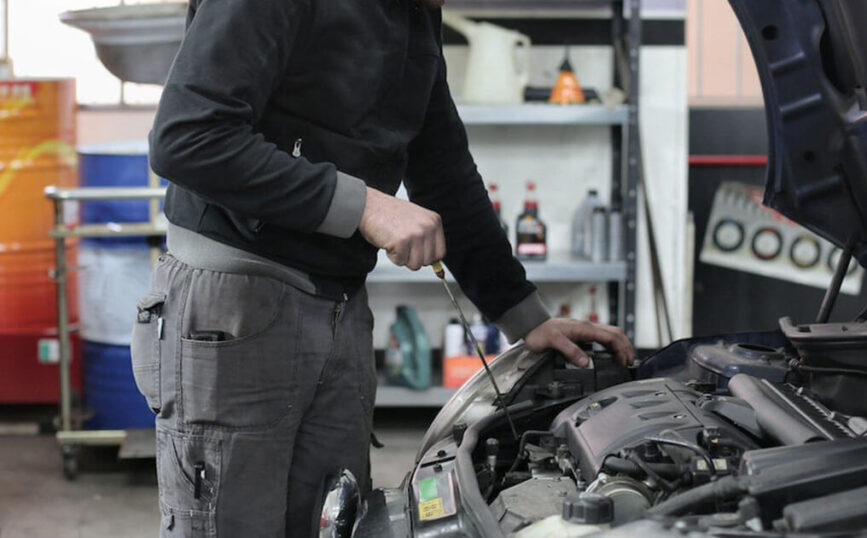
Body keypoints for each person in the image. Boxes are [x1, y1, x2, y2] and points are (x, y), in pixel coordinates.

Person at [133, 0, 634, 536]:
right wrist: (365, 206)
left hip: (339, 305)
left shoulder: (414, 12)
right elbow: (188, 138)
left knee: (338, 524)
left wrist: (525, 317)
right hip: (236, 311)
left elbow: (443, 169)